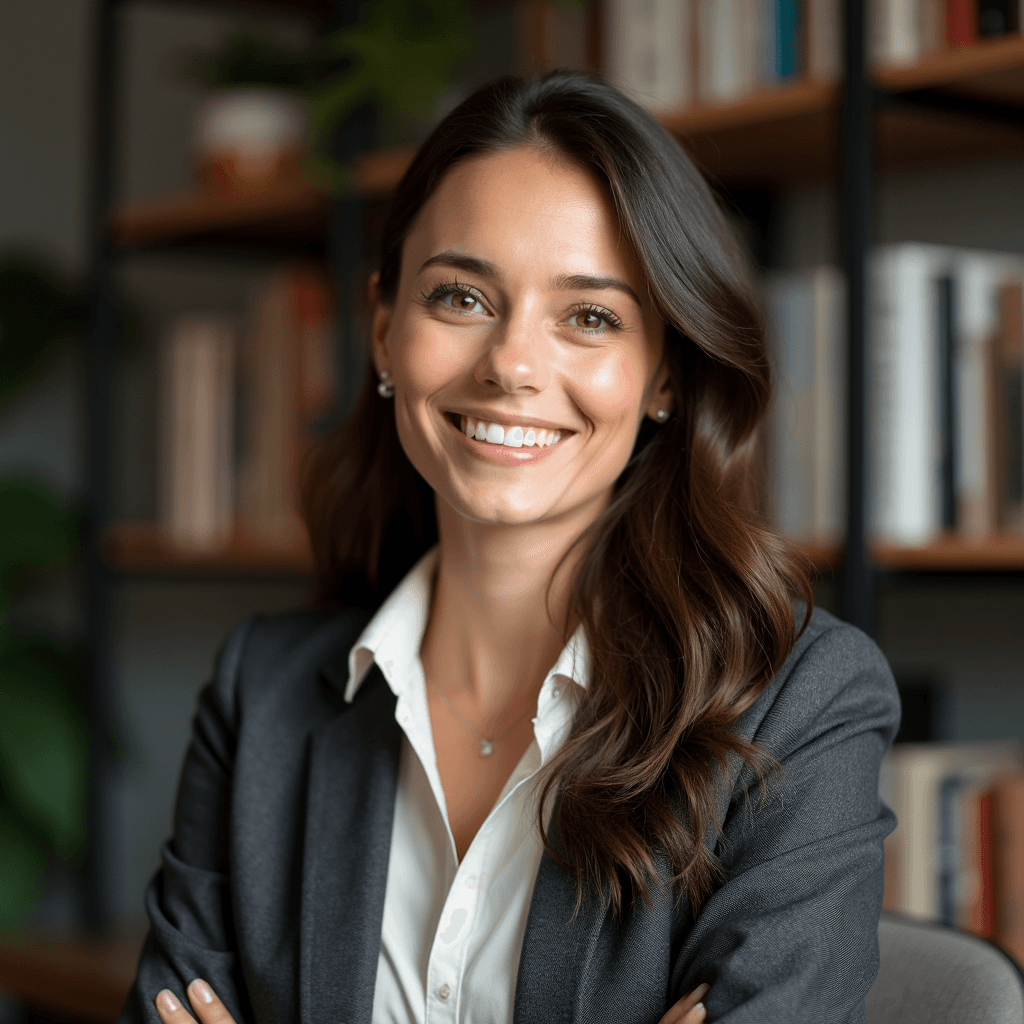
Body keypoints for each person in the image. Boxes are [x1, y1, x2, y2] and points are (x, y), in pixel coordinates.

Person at [119, 72, 900, 1024]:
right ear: (382, 330)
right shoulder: (260, 693)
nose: (513, 366)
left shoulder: (799, 707)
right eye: (460, 296)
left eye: (590, 316)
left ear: (663, 375)